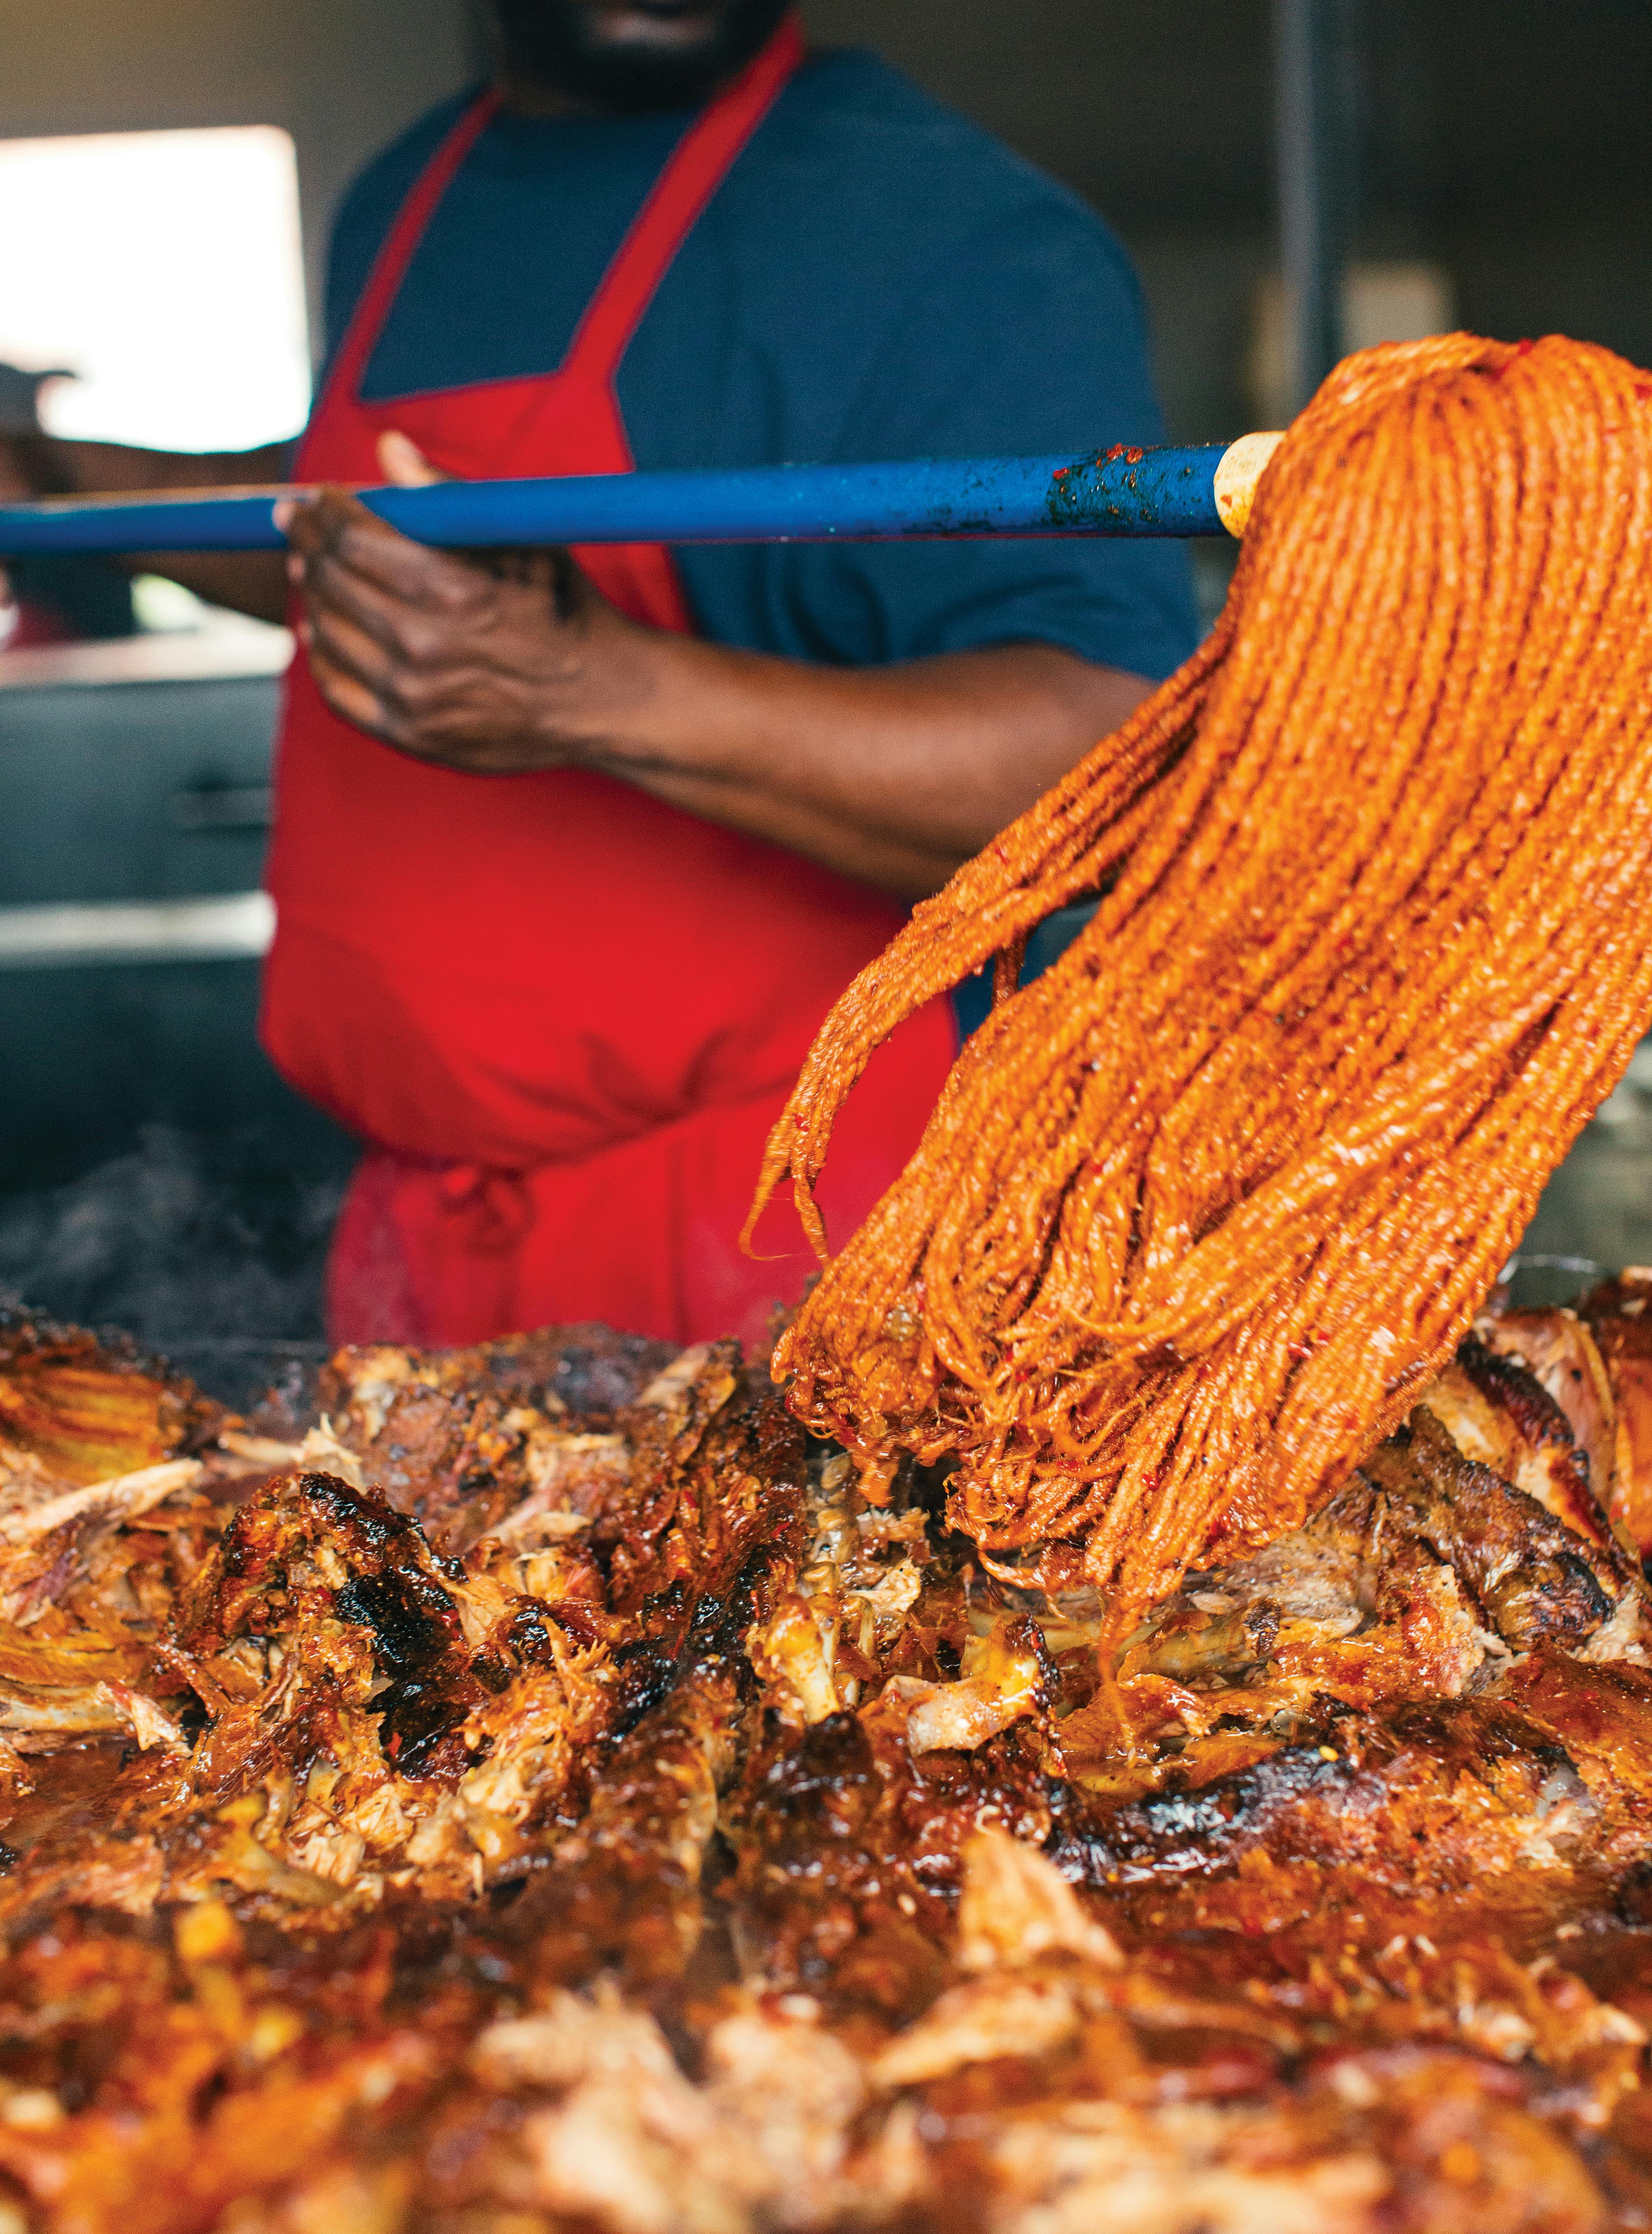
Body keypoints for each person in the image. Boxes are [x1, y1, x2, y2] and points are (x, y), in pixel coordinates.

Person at [0, 0, 1197, 1351]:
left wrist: (590, 689)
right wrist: (54, 482)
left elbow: (1107, 757)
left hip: (787, 1242)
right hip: (424, 1241)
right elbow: (367, 541)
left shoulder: (956, 233)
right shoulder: (413, 191)